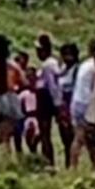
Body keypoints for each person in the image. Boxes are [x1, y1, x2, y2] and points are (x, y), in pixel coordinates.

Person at [34, 33, 62, 166]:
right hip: (46, 99)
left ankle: (48, 161)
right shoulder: (52, 63)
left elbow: (52, 86)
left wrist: (57, 104)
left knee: (45, 133)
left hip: (46, 100)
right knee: (44, 133)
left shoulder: (47, 65)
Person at [57, 42, 80, 167]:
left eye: (69, 55)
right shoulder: (63, 69)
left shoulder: (76, 70)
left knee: (71, 137)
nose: (66, 58)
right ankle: (68, 163)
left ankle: (71, 164)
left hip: (70, 106)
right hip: (62, 107)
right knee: (65, 139)